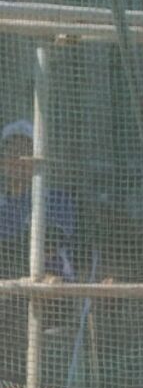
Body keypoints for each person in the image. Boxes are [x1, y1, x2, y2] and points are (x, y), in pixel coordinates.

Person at [0, 120, 76, 282]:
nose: (18, 160)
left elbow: (49, 245)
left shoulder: (55, 200)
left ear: (37, 160)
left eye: (25, 152)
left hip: (50, 285)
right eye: (11, 152)